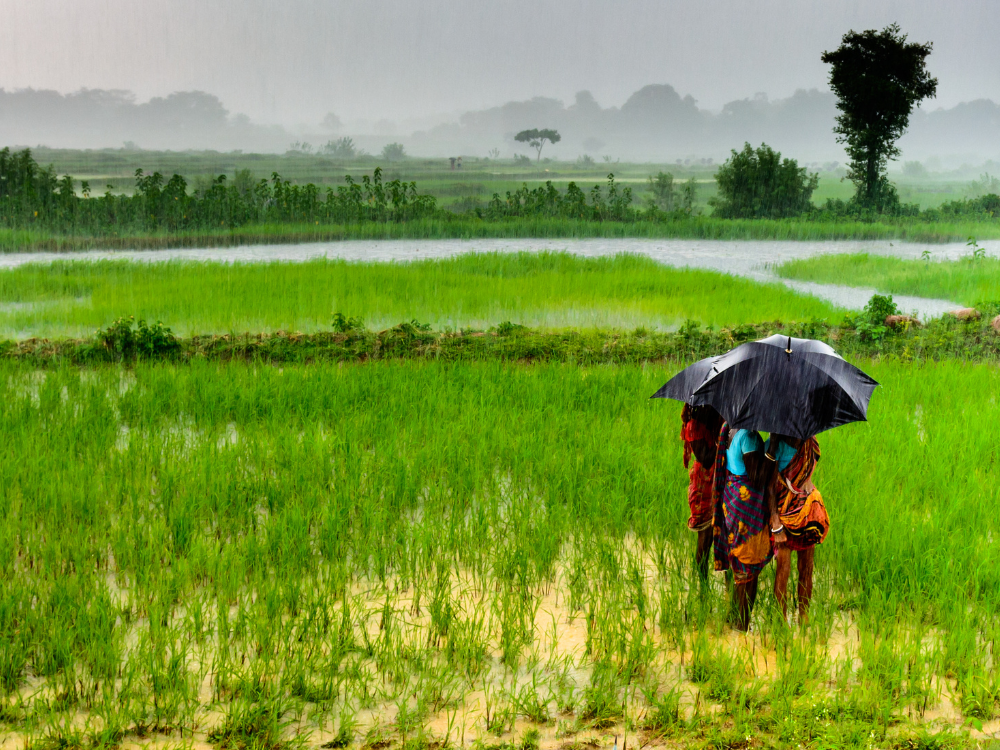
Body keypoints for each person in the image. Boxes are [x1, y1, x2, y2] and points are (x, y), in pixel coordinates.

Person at [712, 423, 773, 631]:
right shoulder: (748, 436)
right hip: (745, 510)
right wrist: (772, 451)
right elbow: (757, 479)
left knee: (739, 563)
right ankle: (741, 626)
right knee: (748, 568)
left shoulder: (729, 428)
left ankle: (733, 618)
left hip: (731, 500)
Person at [766, 434, 828, 624]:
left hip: (807, 509)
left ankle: (804, 615)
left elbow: (807, 473)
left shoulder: (810, 441)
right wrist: (775, 521)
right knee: (783, 568)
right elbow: (768, 486)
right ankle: (780, 620)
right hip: (784, 512)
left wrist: (804, 485)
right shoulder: (774, 445)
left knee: (807, 567)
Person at [680, 404, 723, 579]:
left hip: (717, 480)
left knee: (717, 535)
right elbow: (705, 458)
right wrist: (722, 443)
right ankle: (702, 583)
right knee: (705, 538)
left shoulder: (715, 423)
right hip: (703, 485)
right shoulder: (693, 426)